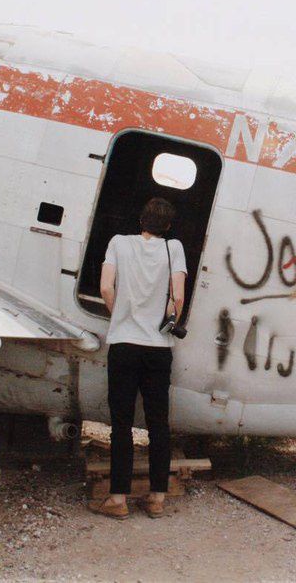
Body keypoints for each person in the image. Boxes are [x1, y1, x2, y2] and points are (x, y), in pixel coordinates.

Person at [91, 197, 186, 519]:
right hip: (158, 348)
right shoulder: (174, 248)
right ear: (168, 226)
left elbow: (106, 287)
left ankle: (118, 499)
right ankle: (157, 498)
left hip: (124, 345)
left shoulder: (118, 243)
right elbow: (178, 298)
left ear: (141, 220)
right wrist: (165, 319)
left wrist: (120, 315)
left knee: (121, 424)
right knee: (159, 424)